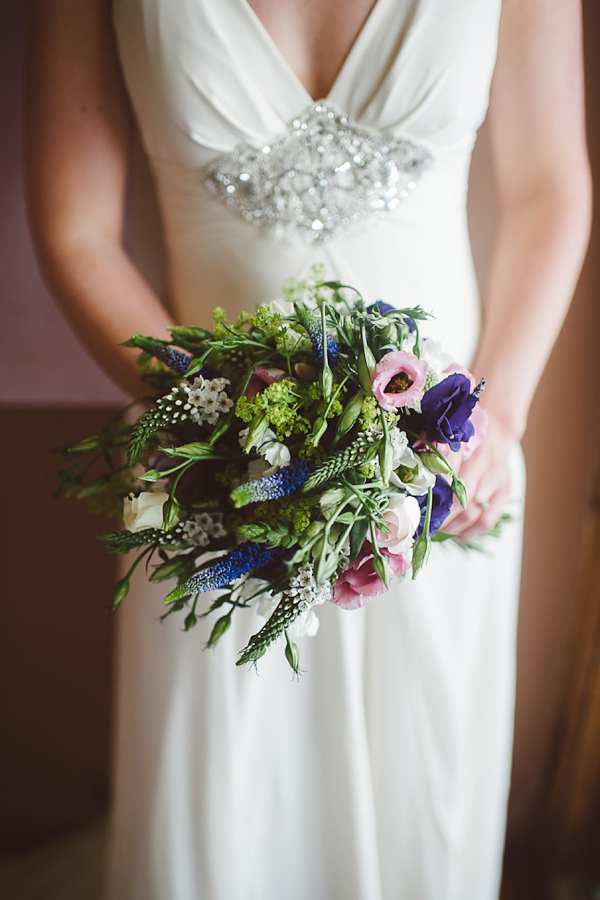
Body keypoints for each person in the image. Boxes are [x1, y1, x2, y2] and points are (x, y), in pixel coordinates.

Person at [25, 1, 591, 898]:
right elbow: (76, 228)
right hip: (212, 475)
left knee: (421, 787)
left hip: (446, 472)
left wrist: (503, 415)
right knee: (226, 808)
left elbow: (550, 190)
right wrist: (209, 417)